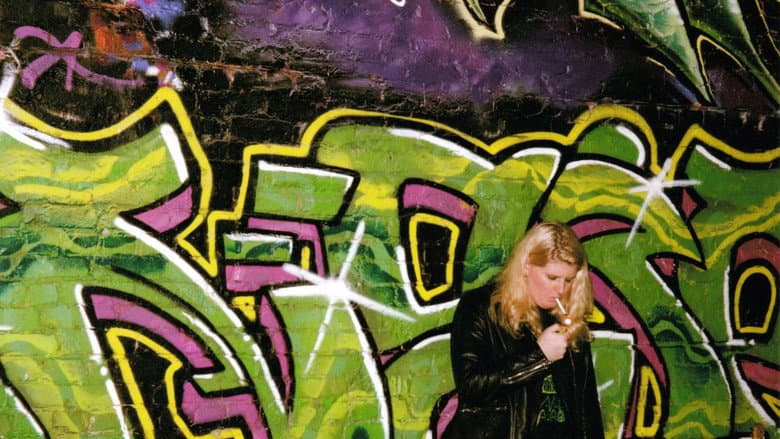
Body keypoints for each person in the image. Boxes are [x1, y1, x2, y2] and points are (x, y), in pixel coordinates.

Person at [443, 221, 604, 438]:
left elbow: (587, 409)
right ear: (527, 266)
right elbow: (471, 386)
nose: (560, 289)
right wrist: (539, 356)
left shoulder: (568, 318)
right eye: (552, 277)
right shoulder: (482, 307)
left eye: (568, 280)